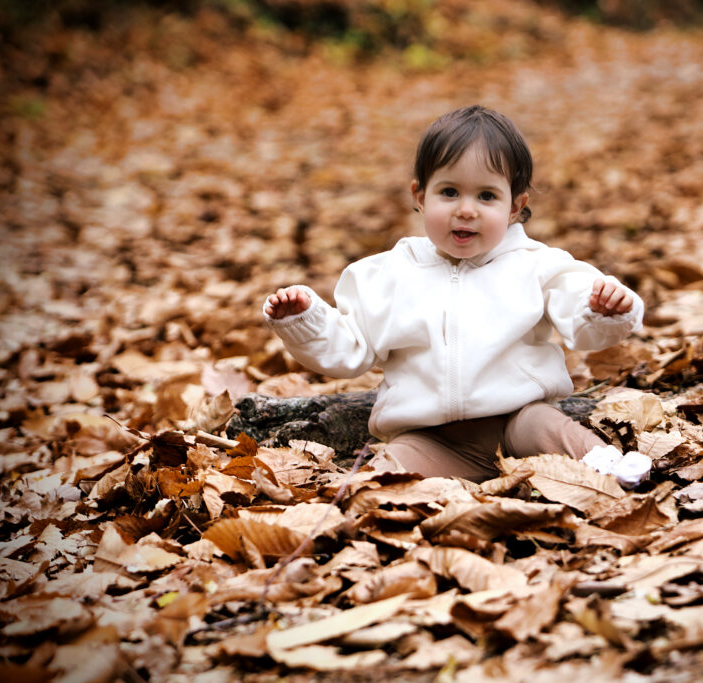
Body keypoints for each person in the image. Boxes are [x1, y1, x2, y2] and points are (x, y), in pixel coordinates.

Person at [263, 105, 651, 486]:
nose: (466, 210)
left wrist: (604, 308)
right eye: (449, 192)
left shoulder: (536, 265)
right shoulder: (386, 274)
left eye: (486, 196)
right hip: (431, 437)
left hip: (516, 422)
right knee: (384, 474)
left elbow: (580, 317)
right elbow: (350, 348)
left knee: (549, 425)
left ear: (515, 206)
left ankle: (605, 466)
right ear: (419, 195)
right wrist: (305, 319)